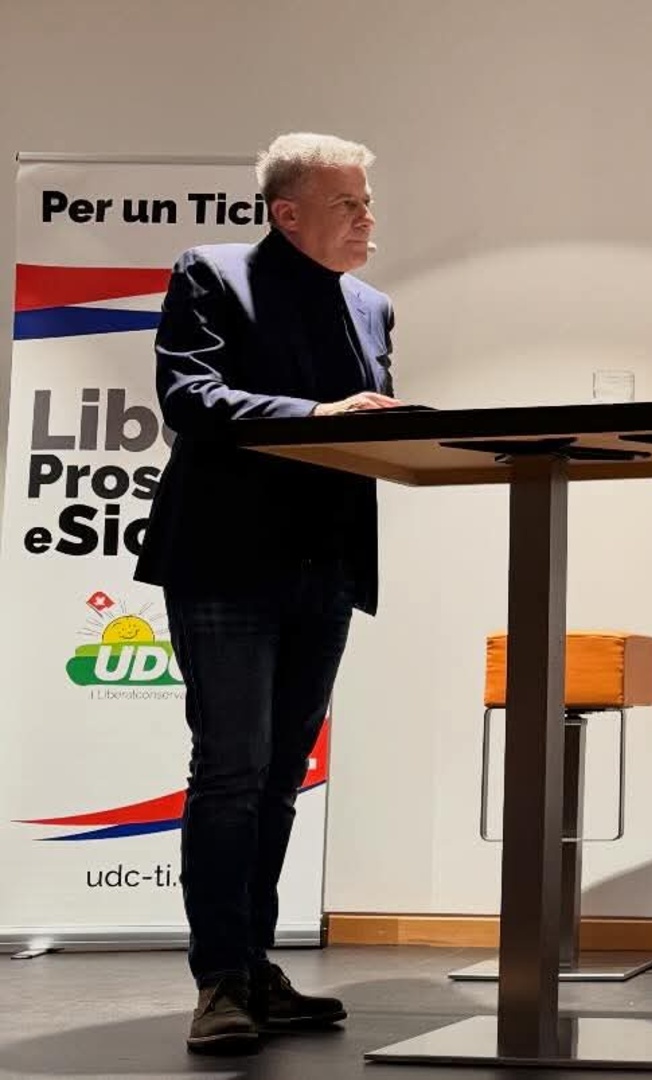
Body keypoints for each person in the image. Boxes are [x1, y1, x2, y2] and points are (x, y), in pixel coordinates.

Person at [133, 132, 401, 1054]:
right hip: (225, 562)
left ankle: (254, 964)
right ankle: (219, 981)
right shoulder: (212, 275)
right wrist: (317, 416)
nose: (367, 218)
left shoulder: (373, 305)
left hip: (325, 570)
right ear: (287, 214)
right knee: (232, 773)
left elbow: (365, 425)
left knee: (282, 779)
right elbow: (190, 398)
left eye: (367, 201)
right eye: (348, 203)